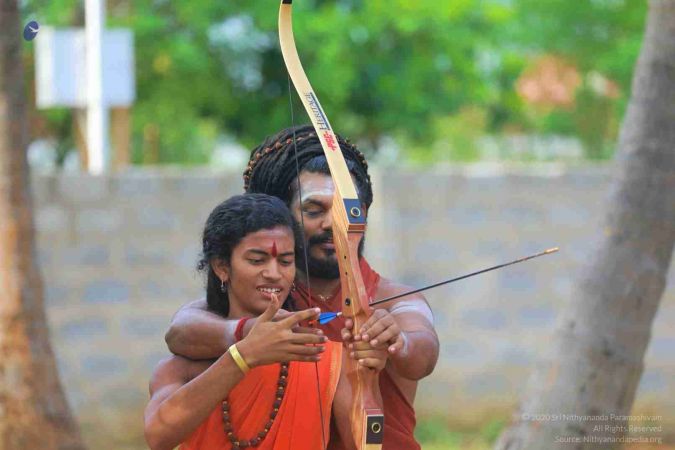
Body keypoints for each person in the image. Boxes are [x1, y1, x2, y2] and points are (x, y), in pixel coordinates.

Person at [165, 126, 439, 449]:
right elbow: (181, 331)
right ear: (283, 217)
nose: (333, 224)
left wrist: (398, 343)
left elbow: (423, 352)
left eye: (347, 211)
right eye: (314, 210)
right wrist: (252, 334)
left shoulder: (392, 300)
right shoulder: (266, 295)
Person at [145, 194, 386, 450]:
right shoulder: (183, 366)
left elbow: (366, 445)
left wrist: (367, 375)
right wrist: (243, 356)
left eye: (285, 261)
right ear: (222, 267)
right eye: (257, 260)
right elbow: (158, 436)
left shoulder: (325, 359)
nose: (274, 274)